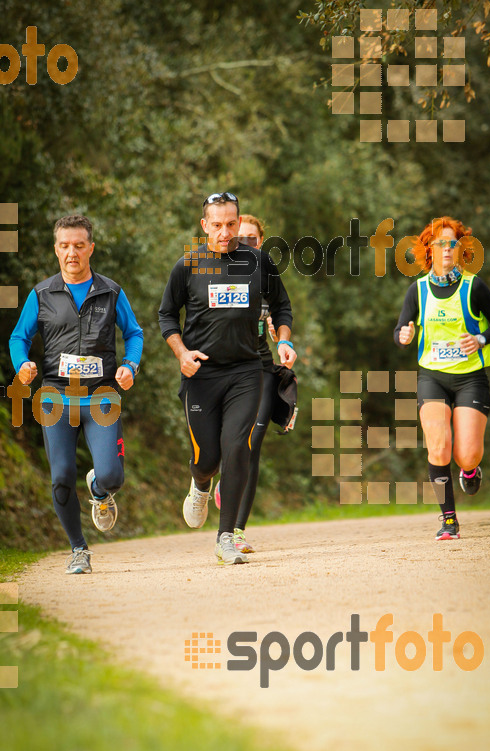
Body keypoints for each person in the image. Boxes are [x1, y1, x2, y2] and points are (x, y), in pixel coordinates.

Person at [158, 193, 296, 565]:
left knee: (238, 448)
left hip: (246, 371)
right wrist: (182, 353)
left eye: (231, 224)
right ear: (204, 226)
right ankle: (201, 483)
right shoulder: (188, 266)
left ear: (238, 223)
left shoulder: (259, 262)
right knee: (208, 458)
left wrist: (283, 341)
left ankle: (226, 537)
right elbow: (167, 316)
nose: (224, 232)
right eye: (216, 225)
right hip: (202, 375)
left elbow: (282, 306)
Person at [9, 214, 143, 574]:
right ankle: (79, 549)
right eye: (65, 246)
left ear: (91, 248)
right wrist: (22, 364)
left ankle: (99, 491)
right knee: (61, 475)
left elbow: (134, 333)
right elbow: (18, 337)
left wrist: (130, 366)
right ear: (56, 249)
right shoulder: (41, 294)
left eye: (79, 245)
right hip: (55, 395)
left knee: (113, 476)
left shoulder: (111, 291)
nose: (72, 253)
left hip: (101, 397)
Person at [394, 216, 490, 540]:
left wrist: (481, 339)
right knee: (439, 446)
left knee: (466, 454)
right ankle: (448, 520)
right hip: (432, 376)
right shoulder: (416, 290)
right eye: (440, 243)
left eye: (452, 243)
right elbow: (400, 329)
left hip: (471, 377)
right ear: (430, 249)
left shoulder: (474, 286)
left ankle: (469, 470)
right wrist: (403, 334)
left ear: (460, 249)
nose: (446, 249)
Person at [213, 214, 297, 554]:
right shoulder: (211, 269)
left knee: (252, 441)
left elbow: (282, 310)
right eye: (240, 238)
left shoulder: (264, 270)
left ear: (260, 242)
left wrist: (283, 339)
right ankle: (205, 477)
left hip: (259, 365)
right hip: (217, 369)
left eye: (252, 239)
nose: (245, 243)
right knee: (218, 443)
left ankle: (236, 530)